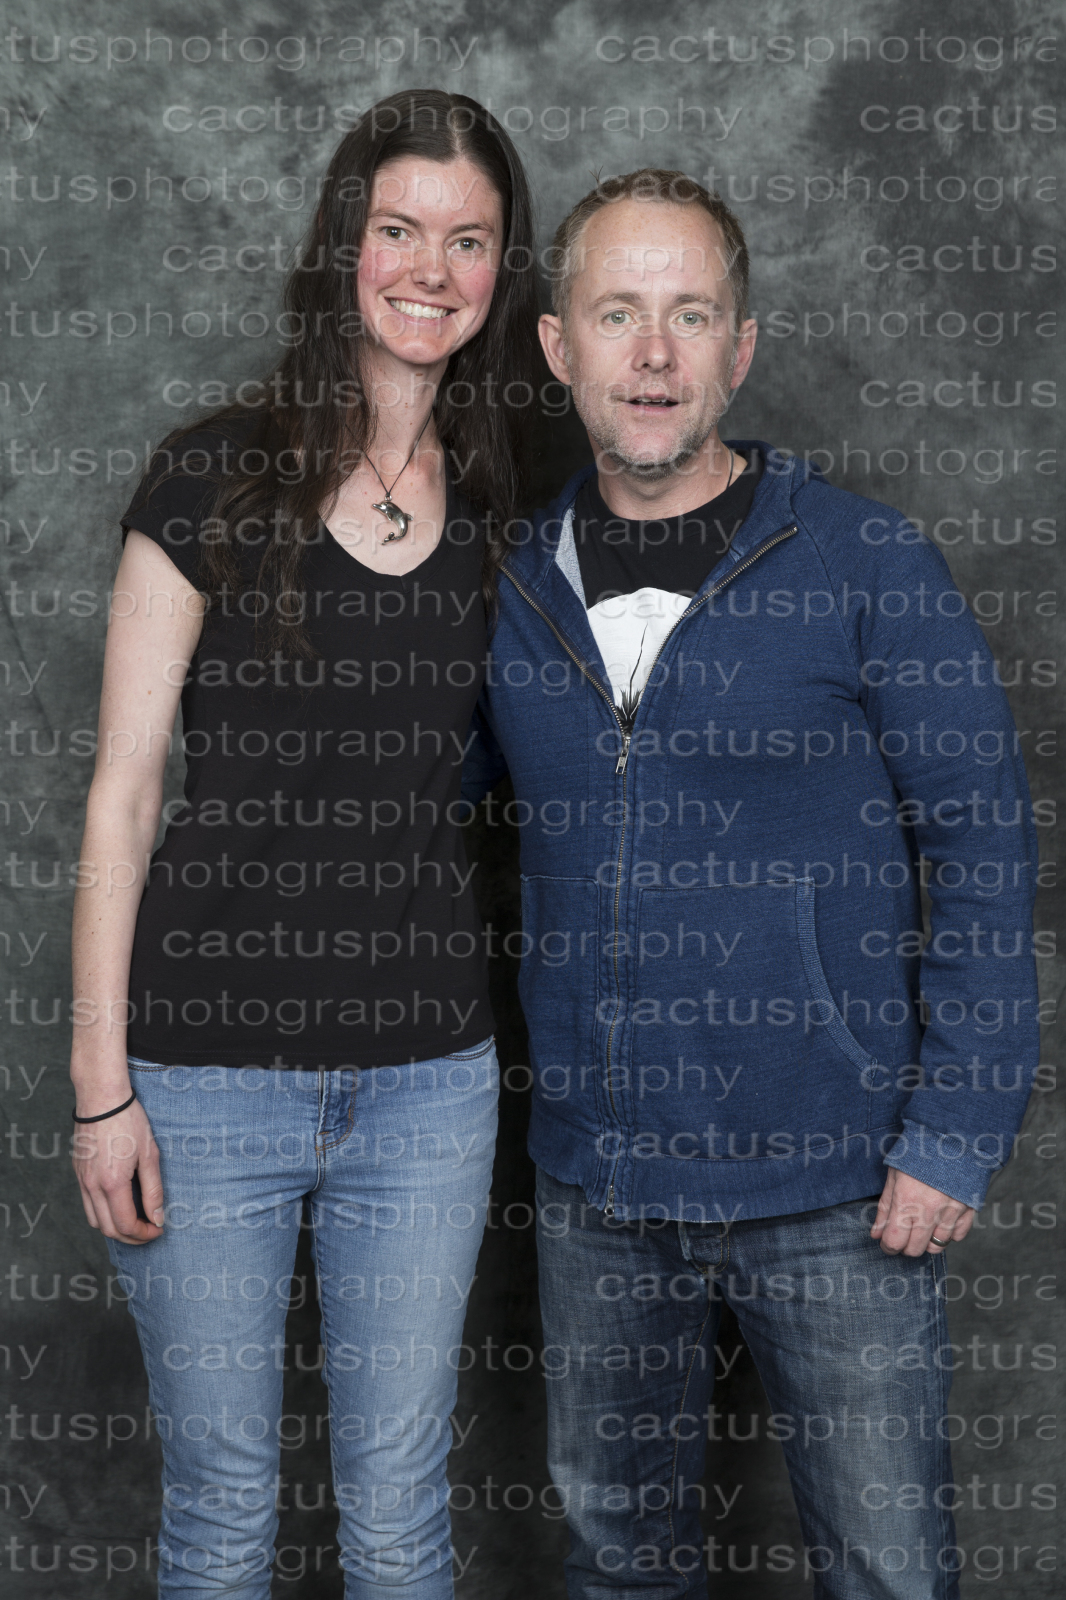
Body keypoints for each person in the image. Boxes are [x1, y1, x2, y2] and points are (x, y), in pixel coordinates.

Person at [463, 169, 1040, 1597]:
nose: (654, 353)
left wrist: (952, 1134)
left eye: (691, 314)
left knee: (887, 1572)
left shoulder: (867, 564)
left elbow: (981, 853)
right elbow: (414, 820)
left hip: (841, 1189)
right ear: (558, 347)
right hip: (599, 1189)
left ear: (740, 346)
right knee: (620, 1566)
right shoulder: (511, 585)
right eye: (617, 314)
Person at [70, 89, 537, 1598]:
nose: (430, 269)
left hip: (427, 1087)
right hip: (204, 1083)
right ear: (344, 244)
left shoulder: (504, 506)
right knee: (222, 1518)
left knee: (401, 1520)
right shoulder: (210, 475)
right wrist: (100, 1091)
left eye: (469, 241)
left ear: (501, 271)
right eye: (398, 229)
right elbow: (124, 791)